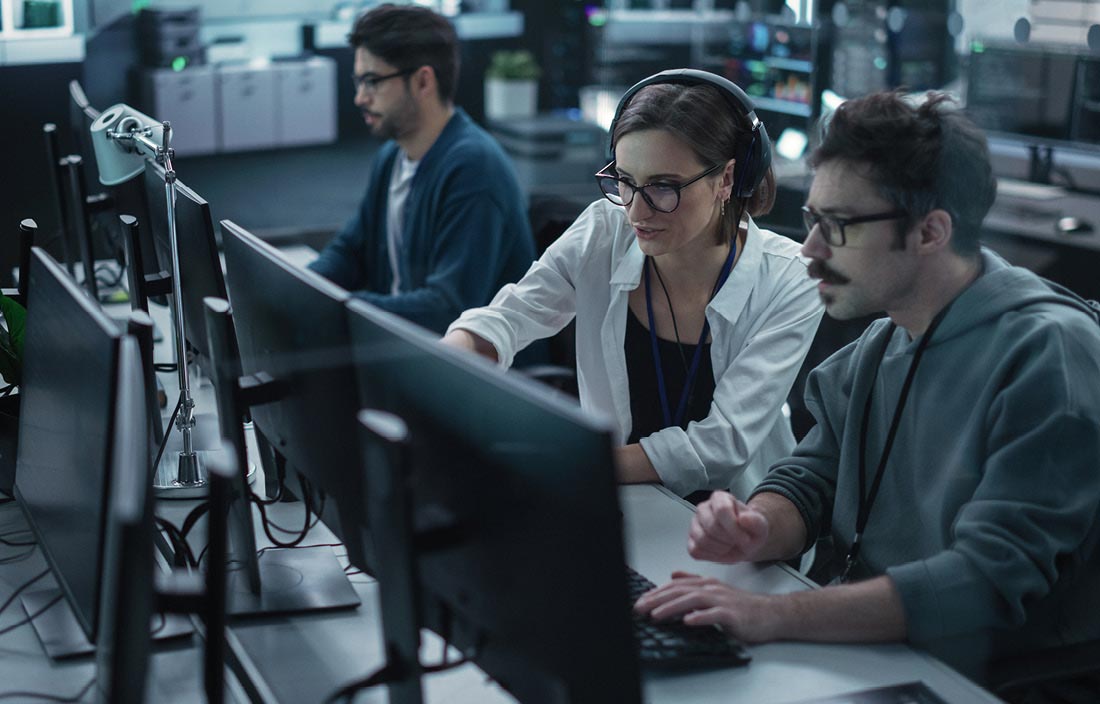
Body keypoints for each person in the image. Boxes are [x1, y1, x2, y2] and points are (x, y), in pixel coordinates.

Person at [634, 90, 1100, 700]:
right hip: (868, 650)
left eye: (839, 226)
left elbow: (983, 581)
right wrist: (759, 524)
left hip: (985, 681)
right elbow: (813, 478)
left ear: (931, 231)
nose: (810, 251)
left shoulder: (1050, 356)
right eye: (812, 220)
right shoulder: (884, 341)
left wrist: (768, 616)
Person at [443, 70, 824, 498]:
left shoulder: (790, 278)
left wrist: (567, 459)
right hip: (623, 504)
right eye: (624, 180)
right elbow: (510, 318)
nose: (636, 212)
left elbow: (720, 448)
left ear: (727, 179)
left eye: (664, 187)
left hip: (737, 528)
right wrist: (441, 368)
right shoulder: (603, 231)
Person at [308, 4, 535, 334]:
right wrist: (303, 289)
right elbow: (350, 251)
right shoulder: (392, 158)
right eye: (358, 82)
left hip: (470, 372)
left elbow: (447, 310)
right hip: (404, 351)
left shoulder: (473, 169)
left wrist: (339, 307)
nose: (360, 98)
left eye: (372, 81)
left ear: (423, 82)